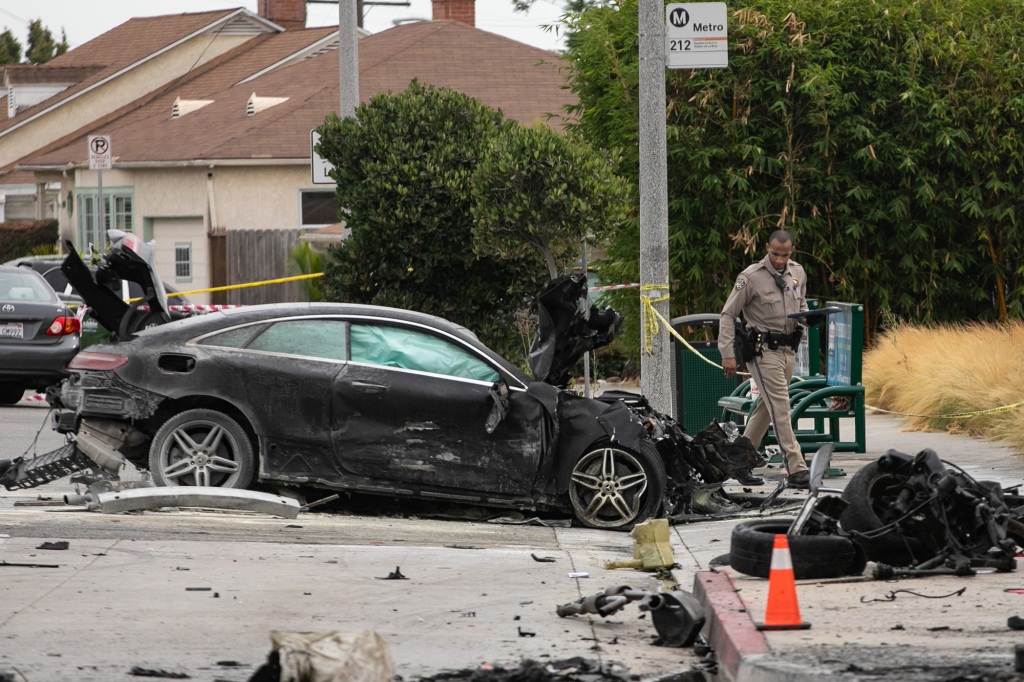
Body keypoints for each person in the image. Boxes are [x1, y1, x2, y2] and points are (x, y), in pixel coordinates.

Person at [717, 230, 811, 489]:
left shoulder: (798, 272)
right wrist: (727, 354)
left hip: (787, 351)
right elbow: (728, 314)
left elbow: (800, 307)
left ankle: (739, 461)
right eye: (775, 254)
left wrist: (810, 317)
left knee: (765, 409)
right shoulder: (750, 277)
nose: (780, 260)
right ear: (767, 247)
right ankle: (796, 467)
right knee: (780, 407)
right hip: (762, 351)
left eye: (785, 255)